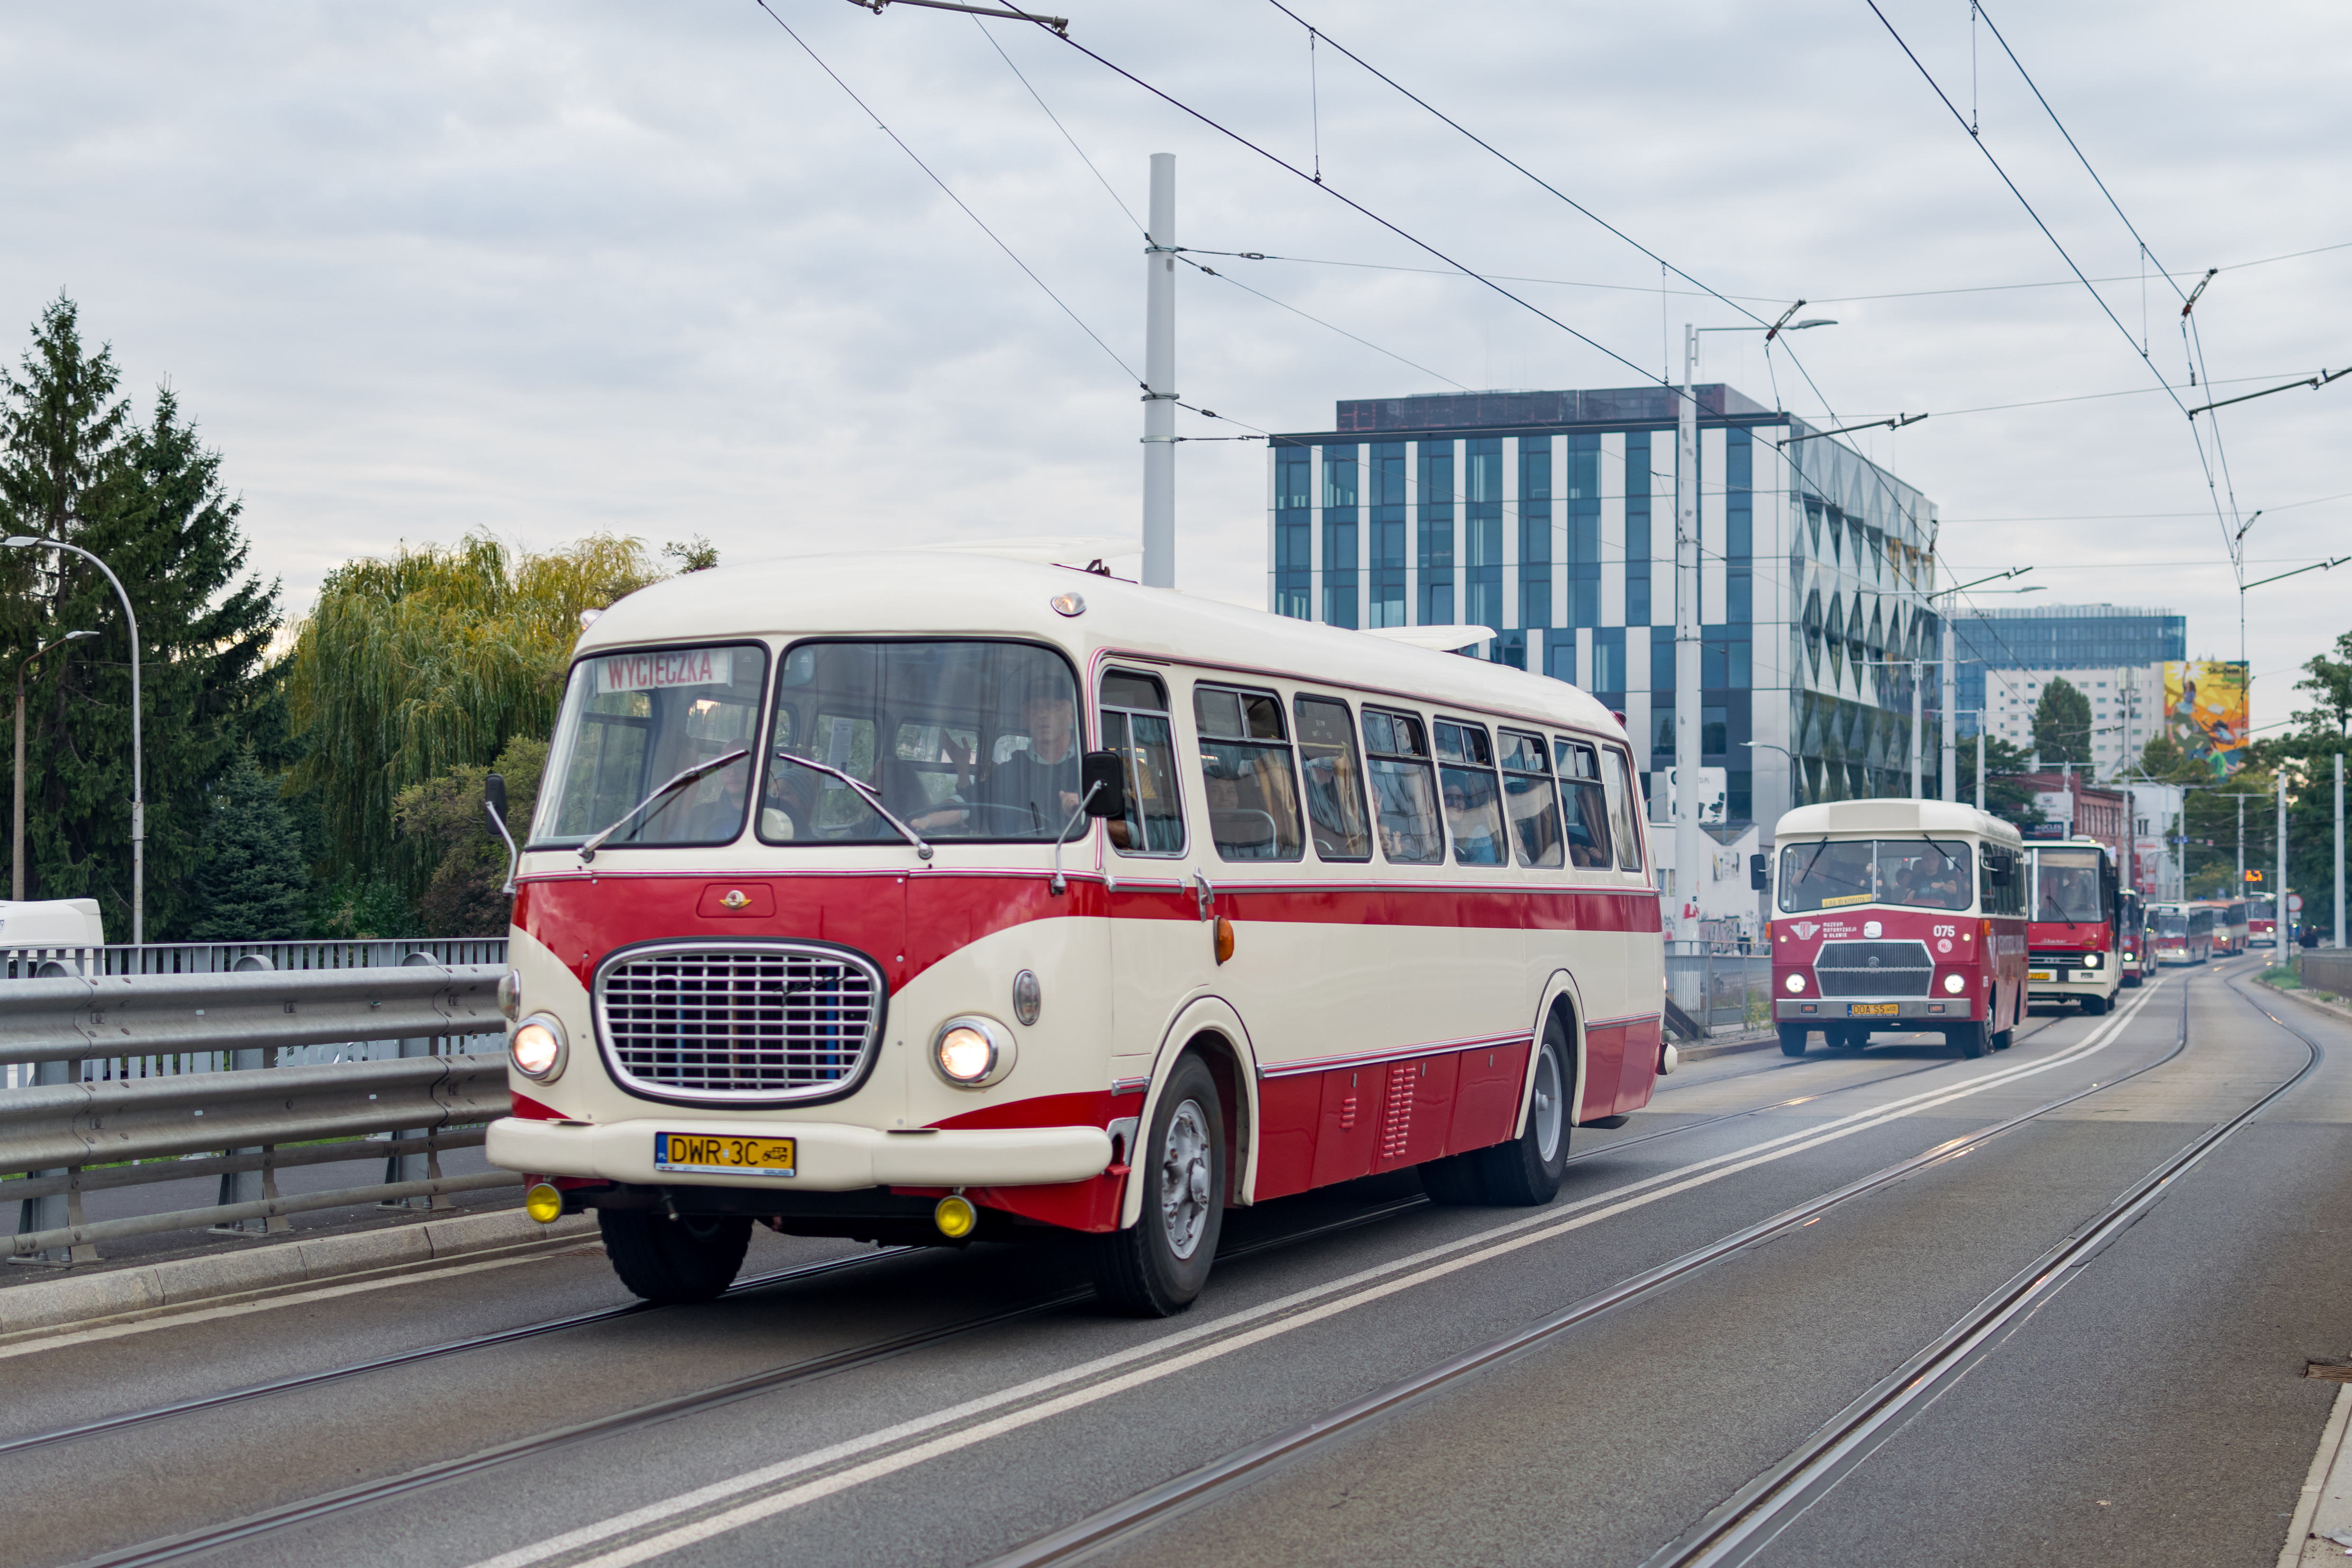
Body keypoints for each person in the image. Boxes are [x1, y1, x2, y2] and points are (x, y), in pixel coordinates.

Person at [984, 690, 1083, 834]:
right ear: (1026, 718)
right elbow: (967, 806)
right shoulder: (1009, 772)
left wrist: (1086, 817)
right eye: (1035, 707)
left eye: (1053, 706)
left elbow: (1126, 832)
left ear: (1070, 715)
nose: (1042, 714)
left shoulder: (1097, 764)